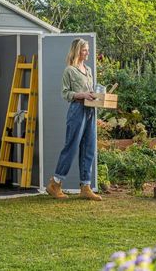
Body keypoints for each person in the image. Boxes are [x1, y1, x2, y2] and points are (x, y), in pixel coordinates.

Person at [46, 38, 102, 201]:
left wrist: (96, 95)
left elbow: (90, 90)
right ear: (77, 51)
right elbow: (65, 94)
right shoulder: (69, 70)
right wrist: (81, 95)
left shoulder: (89, 69)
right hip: (77, 110)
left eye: (88, 50)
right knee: (71, 146)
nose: (88, 53)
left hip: (90, 110)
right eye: (85, 50)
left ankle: (85, 186)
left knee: (89, 147)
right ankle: (55, 184)